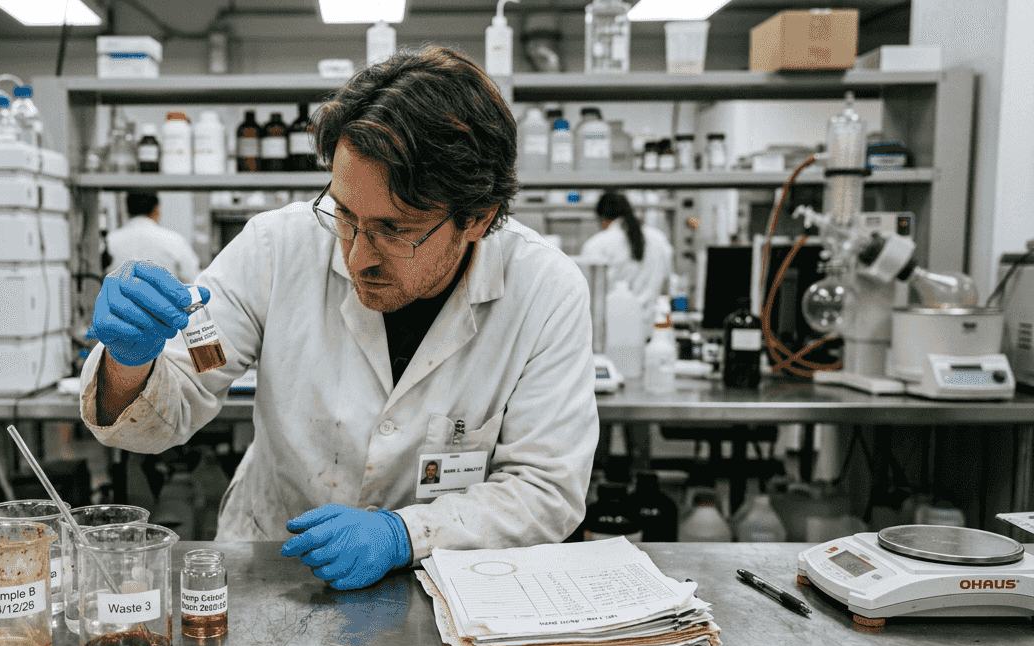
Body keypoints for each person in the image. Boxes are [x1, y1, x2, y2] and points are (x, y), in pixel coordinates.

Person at [81, 47, 598, 591]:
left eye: (394, 230)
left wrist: (405, 534)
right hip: (275, 568)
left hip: (441, 583)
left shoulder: (544, 289)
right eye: (345, 215)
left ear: (476, 217)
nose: (356, 257)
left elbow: (546, 488)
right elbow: (176, 397)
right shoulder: (276, 248)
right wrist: (128, 362)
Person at [579, 190, 673, 340]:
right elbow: (666, 288)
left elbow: (586, 299)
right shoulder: (659, 240)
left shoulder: (597, 245)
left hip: (611, 336)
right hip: (652, 335)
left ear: (602, 219)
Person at [105, 191, 201, 284]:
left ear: (127, 210)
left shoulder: (109, 242)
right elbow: (193, 281)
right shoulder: (175, 241)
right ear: (156, 209)